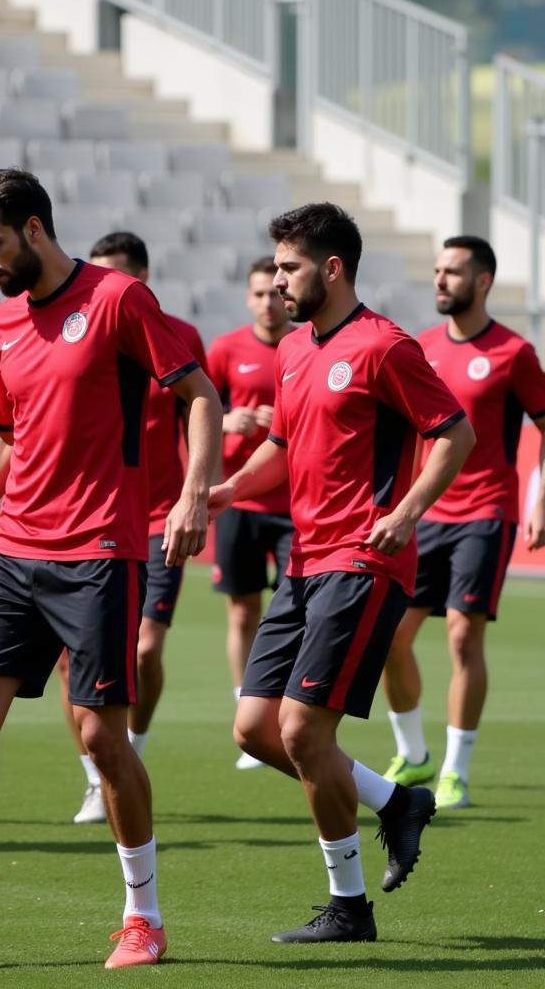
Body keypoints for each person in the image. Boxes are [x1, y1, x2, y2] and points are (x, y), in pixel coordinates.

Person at [0, 170, 223, 968]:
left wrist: (193, 493)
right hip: (16, 547)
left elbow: (201, 396)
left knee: (100, 735)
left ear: (34, 230)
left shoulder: (119, 301)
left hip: (100, 549)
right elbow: (7, 437)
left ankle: (145, 918)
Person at [210, 203, 475, 943]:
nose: (277, 280)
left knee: (300, 732)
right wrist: (229, 488)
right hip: (303, 562)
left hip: (364, 559)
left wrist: (410, 510)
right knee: (255, 727)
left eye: (290, 267)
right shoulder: (295, 350)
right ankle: (395, 801)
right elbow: (287, 449)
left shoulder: (385, 346)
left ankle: (349, 907)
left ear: (331, 268)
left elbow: (456, 432)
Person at [380, 236, 545, 809]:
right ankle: (413, 751)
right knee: (391, 637)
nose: (440, 281)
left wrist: (539, 502)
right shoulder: (419, 349)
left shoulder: (514, 352)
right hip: (424, 513)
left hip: (486, 510)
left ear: (483, 282)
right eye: (436, 271)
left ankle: (456, 769)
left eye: (453, 272)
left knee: (460, 634)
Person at [57, 231, 209, 825]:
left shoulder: (177, 336)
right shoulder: (78, 334)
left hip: (157, 514)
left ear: (141, 277)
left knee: (143, 648)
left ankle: (128, 758)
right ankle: (96, 778)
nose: (101, 290)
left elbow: (199, 407)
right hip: (88, 519)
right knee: (74, 663)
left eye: (114, 276)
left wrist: (195, 494)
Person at [207, 256, 294, 770]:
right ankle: (247, 708)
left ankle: (279, 711)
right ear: (248, 297)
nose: (268, 302)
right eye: (258, 293)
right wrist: (228, 420)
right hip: (241, 500)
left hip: (292, 504)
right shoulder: (226, 349)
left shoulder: (304, 346)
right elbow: (198, 415)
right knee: (242, 610)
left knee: (293, 611)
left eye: (274, 292)